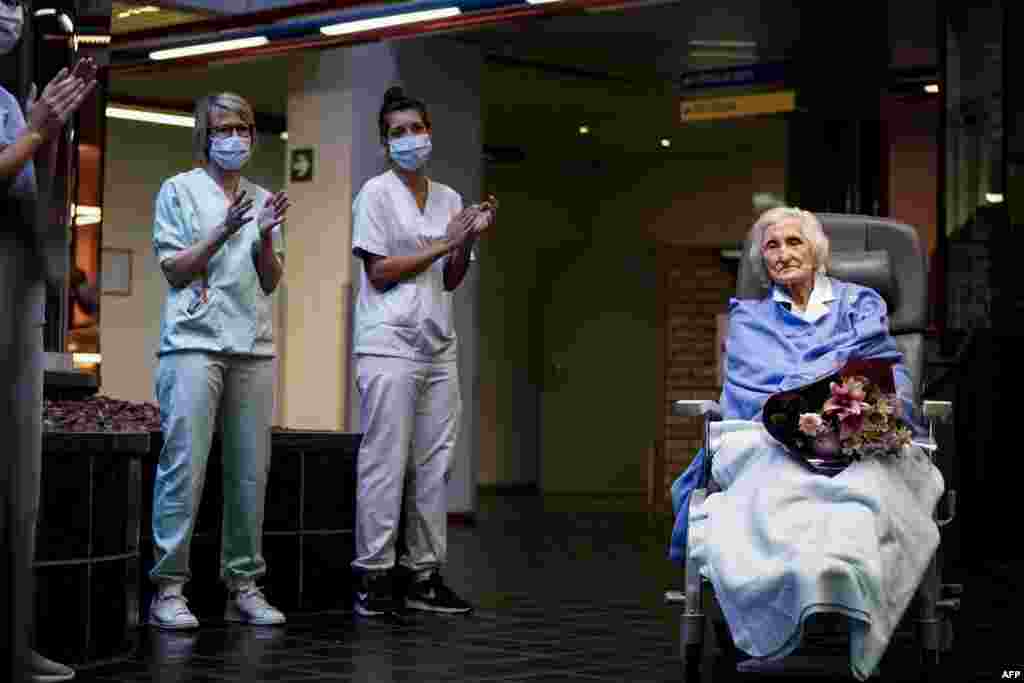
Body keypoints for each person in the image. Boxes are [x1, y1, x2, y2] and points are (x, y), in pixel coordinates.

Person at [668, 207, 944, 681]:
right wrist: (823, 389)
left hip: (849, 432)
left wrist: (847, 401)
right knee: (768, 495)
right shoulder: (751, 318)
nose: (783, 254)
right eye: (772, 246)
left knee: (867, 494)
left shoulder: (860, 303)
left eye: (794, 242)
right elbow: (753, 389)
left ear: (817, 252)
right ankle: (777, 625)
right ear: (762, 262)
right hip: (771, 434)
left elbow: (879, 367)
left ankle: (849, 599)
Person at [350, 86, 497, 617]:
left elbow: (451, 278)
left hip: (438, 348)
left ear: (429, 131)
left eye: (417, 128)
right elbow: (380, 272)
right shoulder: (374, 195)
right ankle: (373, 578)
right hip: (388, 346)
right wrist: (443, 242)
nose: (410, 139)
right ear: (385, 142)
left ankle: (423, 576)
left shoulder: (450, 198)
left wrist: (467, 239)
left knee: (434, 467)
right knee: (385, 465)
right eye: (398, 132)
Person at [148, 92, 289, 630]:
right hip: (193, 345)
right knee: (185, 468)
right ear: (205, 136)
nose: (237, 138)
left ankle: (244, 585)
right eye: (225, 128)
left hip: (251, 344)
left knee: (250, 472)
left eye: (245, 128)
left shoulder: (262, 197)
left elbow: (271, 280)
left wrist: (265, 236)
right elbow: (176, 269)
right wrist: (226, 229)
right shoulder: (178, 191)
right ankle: (169, 589)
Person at [1, 1, 98, 678]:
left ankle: (9, 642)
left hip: (16, 300)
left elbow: (41, 204)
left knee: (17, 493)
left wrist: (53, 135)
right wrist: (34, 135)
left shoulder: (8, 101)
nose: (9, 12)